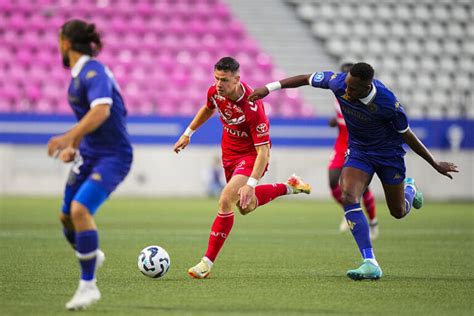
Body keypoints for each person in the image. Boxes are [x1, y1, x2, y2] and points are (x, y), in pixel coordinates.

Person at [249, 62, 458, 280]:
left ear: (367, 87)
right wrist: (268, 88)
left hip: (389, 156)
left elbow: (408, 135)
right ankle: (370, 262)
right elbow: (304, 78)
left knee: (398, 211)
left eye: (352, 89)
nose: (346, 91)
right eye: (347, 85)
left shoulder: (387, 103)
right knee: (347, 194)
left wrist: (435, 163)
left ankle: (410, 189)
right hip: (359, 151)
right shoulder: (339, 82)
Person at [173, 56, 311, 279]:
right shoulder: (215, 91)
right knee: (245, 207)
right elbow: (208, 108)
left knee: (226, 198)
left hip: (251, 155)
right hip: (228, 155)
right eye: (217, 78)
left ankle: (206, 263)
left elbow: (263, 152)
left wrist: (251, 183)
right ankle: (289, 186)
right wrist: (188, 133)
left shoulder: (253, 107)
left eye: (225, 80)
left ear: (237, 79)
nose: (219, 84)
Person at [47, 19, 133, 309]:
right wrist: (74, 145)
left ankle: (88, 287)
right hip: (90, 154)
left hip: (113, 155)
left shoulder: (93, 71)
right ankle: (92, 253)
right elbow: (89, 122)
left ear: (66, 43)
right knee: (65, 218)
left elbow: (102, 112)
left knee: (80, 209)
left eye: (59, 40)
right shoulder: (78, 75)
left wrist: (66, 137)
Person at [329, 63, 378, 239]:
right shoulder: (337, 93)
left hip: (357, 143)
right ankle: (350, 211)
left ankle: (373, 223)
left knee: (361, 187)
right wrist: (336, 121)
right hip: (341, 143)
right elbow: (343, 114)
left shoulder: (361, 96)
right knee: (333, 181)